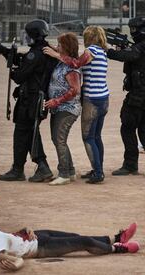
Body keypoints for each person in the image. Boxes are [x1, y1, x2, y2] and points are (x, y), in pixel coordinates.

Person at [43, 26, 110, 184]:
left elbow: (75, 63)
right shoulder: (102, 51)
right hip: (103, 97)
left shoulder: (91, 50)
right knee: (96, 136)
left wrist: (55, 54)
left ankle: (98, 173)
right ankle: (97, 168)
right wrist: (57, 50)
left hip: (92, 99)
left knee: (88, 137)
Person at [0, 19, 58, 182]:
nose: (26, 37)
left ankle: (29, 167)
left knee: (24, 132)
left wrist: (12, 68)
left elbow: (20, 75)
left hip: (31, 100)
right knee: (28, 131)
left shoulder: (34, 54)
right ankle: (28, 167)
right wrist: (5, 52)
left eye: (28, 34)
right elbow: (25, 62)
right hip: (38, 98)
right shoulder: (46, 49)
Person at [107, 17, 145, 177]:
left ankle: (130, 165)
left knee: (127, 128)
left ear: (142, 30)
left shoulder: (139, 49)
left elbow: (125, 56)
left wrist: (107, 50)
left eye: (134, 29)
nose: (132, 33)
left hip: (139, 96)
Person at [0, 223, 139, 271]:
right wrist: (16, 266)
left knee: (76, 237)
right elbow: (18, 259)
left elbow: (6, 236)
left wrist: (24, 229)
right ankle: (119, 248)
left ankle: (115, 237)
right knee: (84, 243)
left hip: (34, 235)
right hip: (42, 247)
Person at [43, 33, 82, 186]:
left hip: (68, 108)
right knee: (58, 139)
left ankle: (64, 173)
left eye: (59, 45)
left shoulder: (71, 67)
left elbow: (75, 90)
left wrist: (56, 100)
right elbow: (58, 53)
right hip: (59, 108)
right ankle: (70, 171)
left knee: (59, 139)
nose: (57, 47)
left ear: (65, 47)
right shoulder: (62, 61)